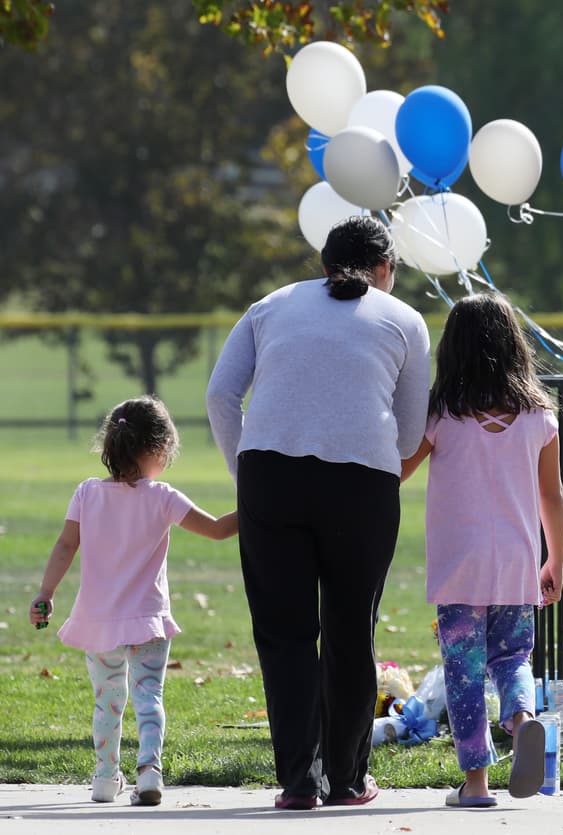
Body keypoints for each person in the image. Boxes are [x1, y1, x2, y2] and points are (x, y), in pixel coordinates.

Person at [206, 216, 431, 810]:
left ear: (323, 263)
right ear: (385, 269)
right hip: (362, 482)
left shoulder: (270, 306)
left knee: (284, 635)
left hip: (270, 475)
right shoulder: (405, 321)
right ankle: (348, 780)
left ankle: (298, 781)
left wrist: (246, 472)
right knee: (351, 632)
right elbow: (410, 435)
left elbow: (220, 395)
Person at [29, 395, 238, 807]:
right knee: (149, 697)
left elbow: (65, 545)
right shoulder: (163, 496)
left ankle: (105, 778)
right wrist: (262, 506)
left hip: (98, 622)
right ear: (159, 450)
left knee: (108, 702)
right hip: (147, 622)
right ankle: (149, 772)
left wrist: (46, 594)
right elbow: (216, 530)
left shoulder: (87, 493)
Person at [401, 292, 563, 808]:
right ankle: (522, 719)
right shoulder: (539, 416)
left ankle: (476, 785)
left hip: (458, 565)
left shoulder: (442, 414)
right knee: (513, 655)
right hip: (517, 560)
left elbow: (400, 469)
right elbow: (552, 494)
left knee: (464, 670)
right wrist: (556, 558)